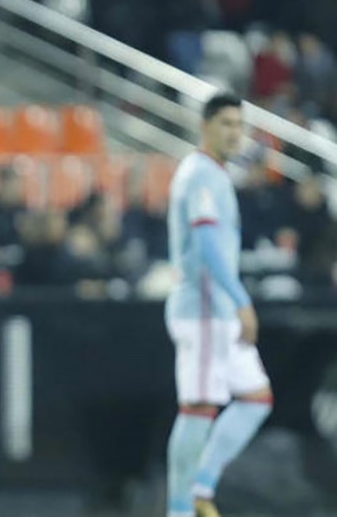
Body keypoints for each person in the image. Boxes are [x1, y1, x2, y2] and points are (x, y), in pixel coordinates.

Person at [165, 93, 274, 517]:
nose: (234, 132)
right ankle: (179, 510)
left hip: (218, 312)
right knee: (198, 408)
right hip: (205, 311)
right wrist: (242, 301)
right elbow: (208, 243)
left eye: (239, 124)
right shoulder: (200, 175)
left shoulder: (213, 174)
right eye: (226, 123)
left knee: (255, 398)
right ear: (205, 125)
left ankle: (201, 486)